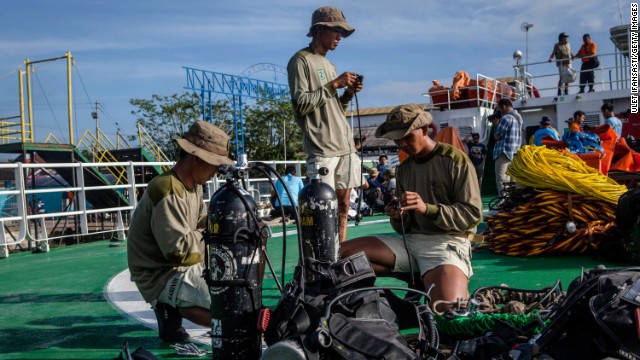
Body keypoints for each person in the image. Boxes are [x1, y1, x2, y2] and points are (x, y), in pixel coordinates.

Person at [341, 104, 483, 309]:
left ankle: (425, 279)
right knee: (341, 256)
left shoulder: (455, 160)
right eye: (397, 140)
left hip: (447, 243)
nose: (402, 144)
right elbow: (404, 229)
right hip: (411, 242)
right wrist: (398, 216)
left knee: (449, 311)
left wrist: (428, 208)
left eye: (407, 137)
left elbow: (472, 214)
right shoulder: (404, 169)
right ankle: (418, 279)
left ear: (425, 130)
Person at [127, 121, 235, 342]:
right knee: (228, 306)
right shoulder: (166, 188)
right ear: (195, 157)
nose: (217, 171)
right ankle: (170, 302)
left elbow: (201, 225)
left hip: (181, 263)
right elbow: (179, 252)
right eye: (214, 164)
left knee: (235, 292)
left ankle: (170, 306)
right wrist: (216, 232)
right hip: (159, 272)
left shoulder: (194, 186)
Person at [287, 6, 364, 243]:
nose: (340, 37)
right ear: (319, 30)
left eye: (342, 32)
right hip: (322, 148)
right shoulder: (300, 61)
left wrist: (348, 94)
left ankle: (338, 259)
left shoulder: (329, 66)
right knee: (322, 211)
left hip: (344, 146)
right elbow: (301, 105)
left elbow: (334, 109)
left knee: (343, 207)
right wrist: (334, 85)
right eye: (336, 31)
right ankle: (320, 262)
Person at [492, 98, 523, 195]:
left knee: (502, 181)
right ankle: (511, 205)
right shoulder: (518, 118)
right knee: (512, 182)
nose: (499, 111)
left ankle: (502, 205)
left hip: (504, 153)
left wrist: (495, 125)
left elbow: (497, 136)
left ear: (504, 106)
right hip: (514, 154)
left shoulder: (506, 118)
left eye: (499, 109)